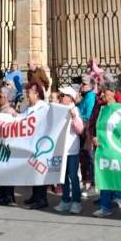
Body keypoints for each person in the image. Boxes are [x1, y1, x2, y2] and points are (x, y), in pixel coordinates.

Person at [92, 82, 121, 220]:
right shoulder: (100, 109)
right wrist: (93, 136)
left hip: (119, 148)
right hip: (104, 148)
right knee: (104, 177)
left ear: (112, 93)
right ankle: (105, 207)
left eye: (104, 92)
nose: (102, 95)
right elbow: (94, 125)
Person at [53, 86, 85, 215]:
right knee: (63, 176)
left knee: (73, 175)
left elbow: (80, 129)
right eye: (61, 95)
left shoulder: (74, 110)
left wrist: (74, 119)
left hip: (72, 149)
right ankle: (65, 200)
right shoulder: (59, 109)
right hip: (61, 148)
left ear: (70, 98)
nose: (61, 97)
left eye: (63, 95)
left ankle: (76, 201)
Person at [22, 83, 50, 209]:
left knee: (39, 170)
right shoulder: (28, 107)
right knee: (32, 170)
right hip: (29, 143)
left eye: (29, 93)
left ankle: (42, 198)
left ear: (36, 93)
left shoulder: (43, 107)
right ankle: (35, 195)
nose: (27, 95)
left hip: (40, 144)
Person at [0, 88, 19, 205]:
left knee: (7, 170)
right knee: (1, 170)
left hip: (7, 145)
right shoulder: (1, 110)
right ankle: (2, 193)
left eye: (2, 97)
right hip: (0, 145)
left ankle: (8, 196)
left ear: (8, 98)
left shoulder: (9, 111)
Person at [77, 76, 97, 191]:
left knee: (89, 156)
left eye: (84, 84)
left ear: (91, 86)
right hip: (82, 127)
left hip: (87, 128)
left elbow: (88, 114)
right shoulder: (85, 97)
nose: (81, 86)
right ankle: (87, 179)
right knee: (85, 156)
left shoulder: (90, 97)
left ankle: (92, 180)